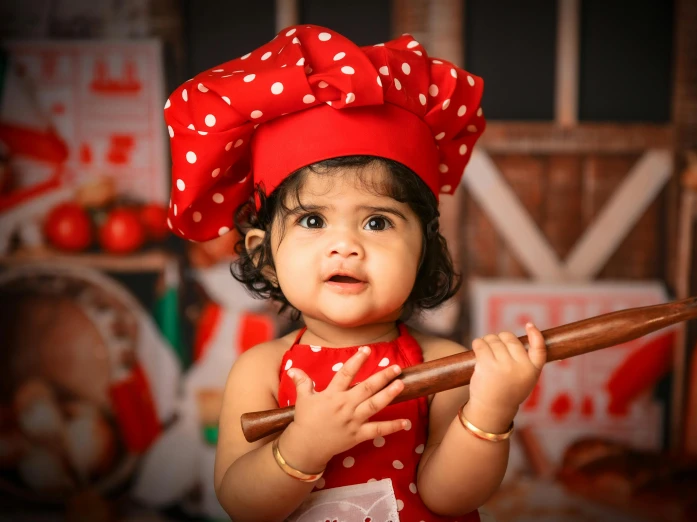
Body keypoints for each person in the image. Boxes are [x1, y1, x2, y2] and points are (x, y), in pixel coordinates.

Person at [164, 24, 547, 522]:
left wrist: (492, 411)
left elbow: (449, 498)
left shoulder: (443, 365)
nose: (345, 245)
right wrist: (302, 447)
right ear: (263, 255)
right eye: (313, 220)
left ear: (424, 252)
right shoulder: (260, 370)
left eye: (377, 221)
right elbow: (241, 505)